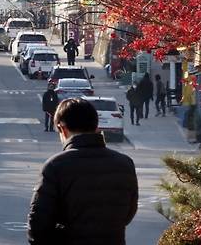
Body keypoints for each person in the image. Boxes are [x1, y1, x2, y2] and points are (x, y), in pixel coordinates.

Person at [27, 98, 138, 245]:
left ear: (62, 128)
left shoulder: (55, 166)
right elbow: (128, 214)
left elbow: (38, 226)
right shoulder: (125, 164)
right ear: (96, 126)